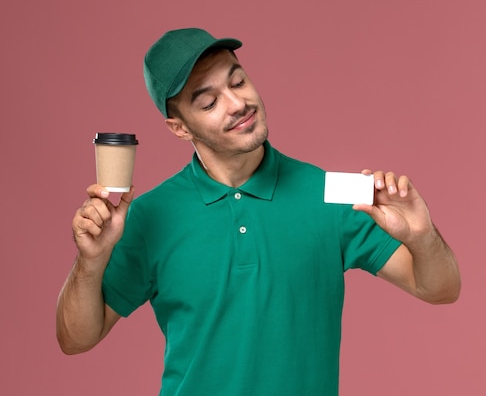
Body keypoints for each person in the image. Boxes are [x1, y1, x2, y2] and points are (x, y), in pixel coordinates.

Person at [56, 28, 461, 396]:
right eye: (210, 101)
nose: (238, 104)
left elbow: (441, 289)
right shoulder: (148, 217)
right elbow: (75, 339)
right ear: (179, 128)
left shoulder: (330, 191)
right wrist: (90, 261)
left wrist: (421, 235)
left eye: (238, 81)